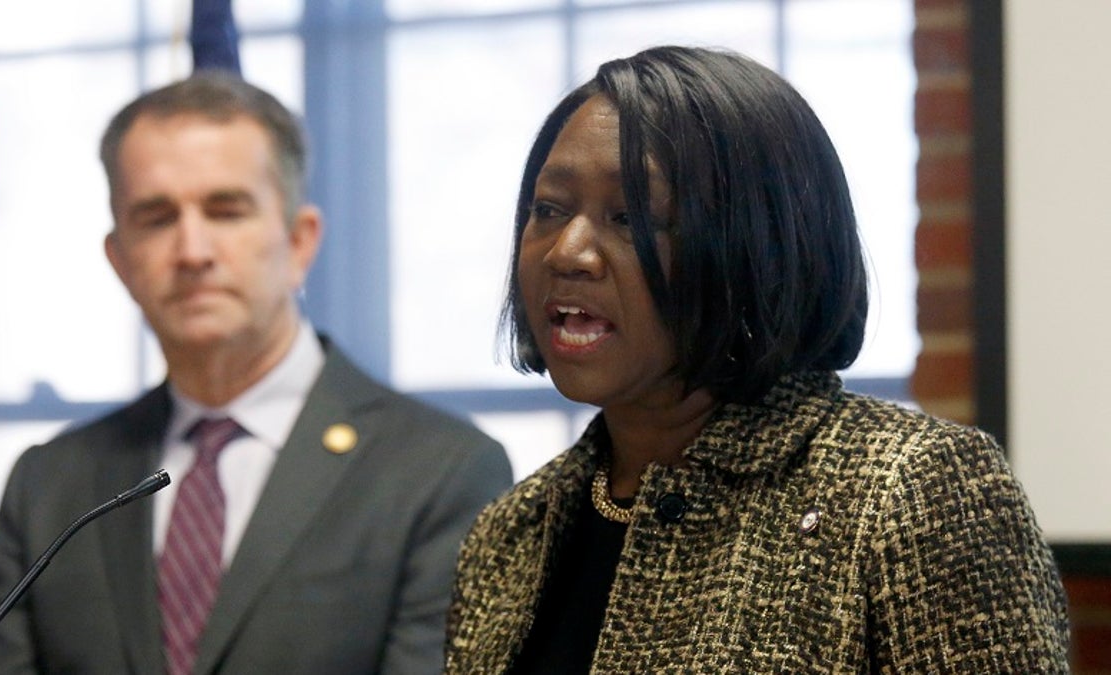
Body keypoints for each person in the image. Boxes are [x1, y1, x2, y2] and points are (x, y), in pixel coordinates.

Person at [444, 46, 1069, 673]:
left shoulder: (908, 491)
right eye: (549, 209)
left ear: (757, 246)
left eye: (631, 215)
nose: (567, 251)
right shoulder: (510, 533)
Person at [0, 71, 512, 674]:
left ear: (299, 242)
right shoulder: (49, 485)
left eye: (226, 210)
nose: (193, 250)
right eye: (156, 218)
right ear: (119, 260)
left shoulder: (441, 473)